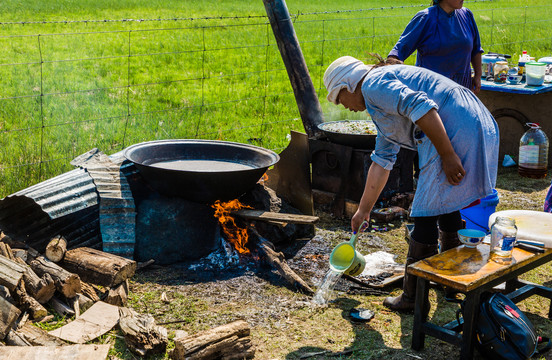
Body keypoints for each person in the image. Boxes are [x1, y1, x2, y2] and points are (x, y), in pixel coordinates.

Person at [323, 56, 499, 312]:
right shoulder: (379, 105)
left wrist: (448, 155)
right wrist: (363, 210)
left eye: (339, 98)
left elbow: (423, 107)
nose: (343, 106)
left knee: (425, 212)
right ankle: (450, 281)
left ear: (348, 85)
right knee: (444, 201)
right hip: (469, 117)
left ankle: (413, 298)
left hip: (456, 123)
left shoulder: (373, 85)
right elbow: (382, 161)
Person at [387, 0, 483, 93]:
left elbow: (476, 49)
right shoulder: (425, 18)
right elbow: (398, 52)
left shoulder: (466, 15)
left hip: (461, 89)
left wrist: (478, 75)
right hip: (432, 90)